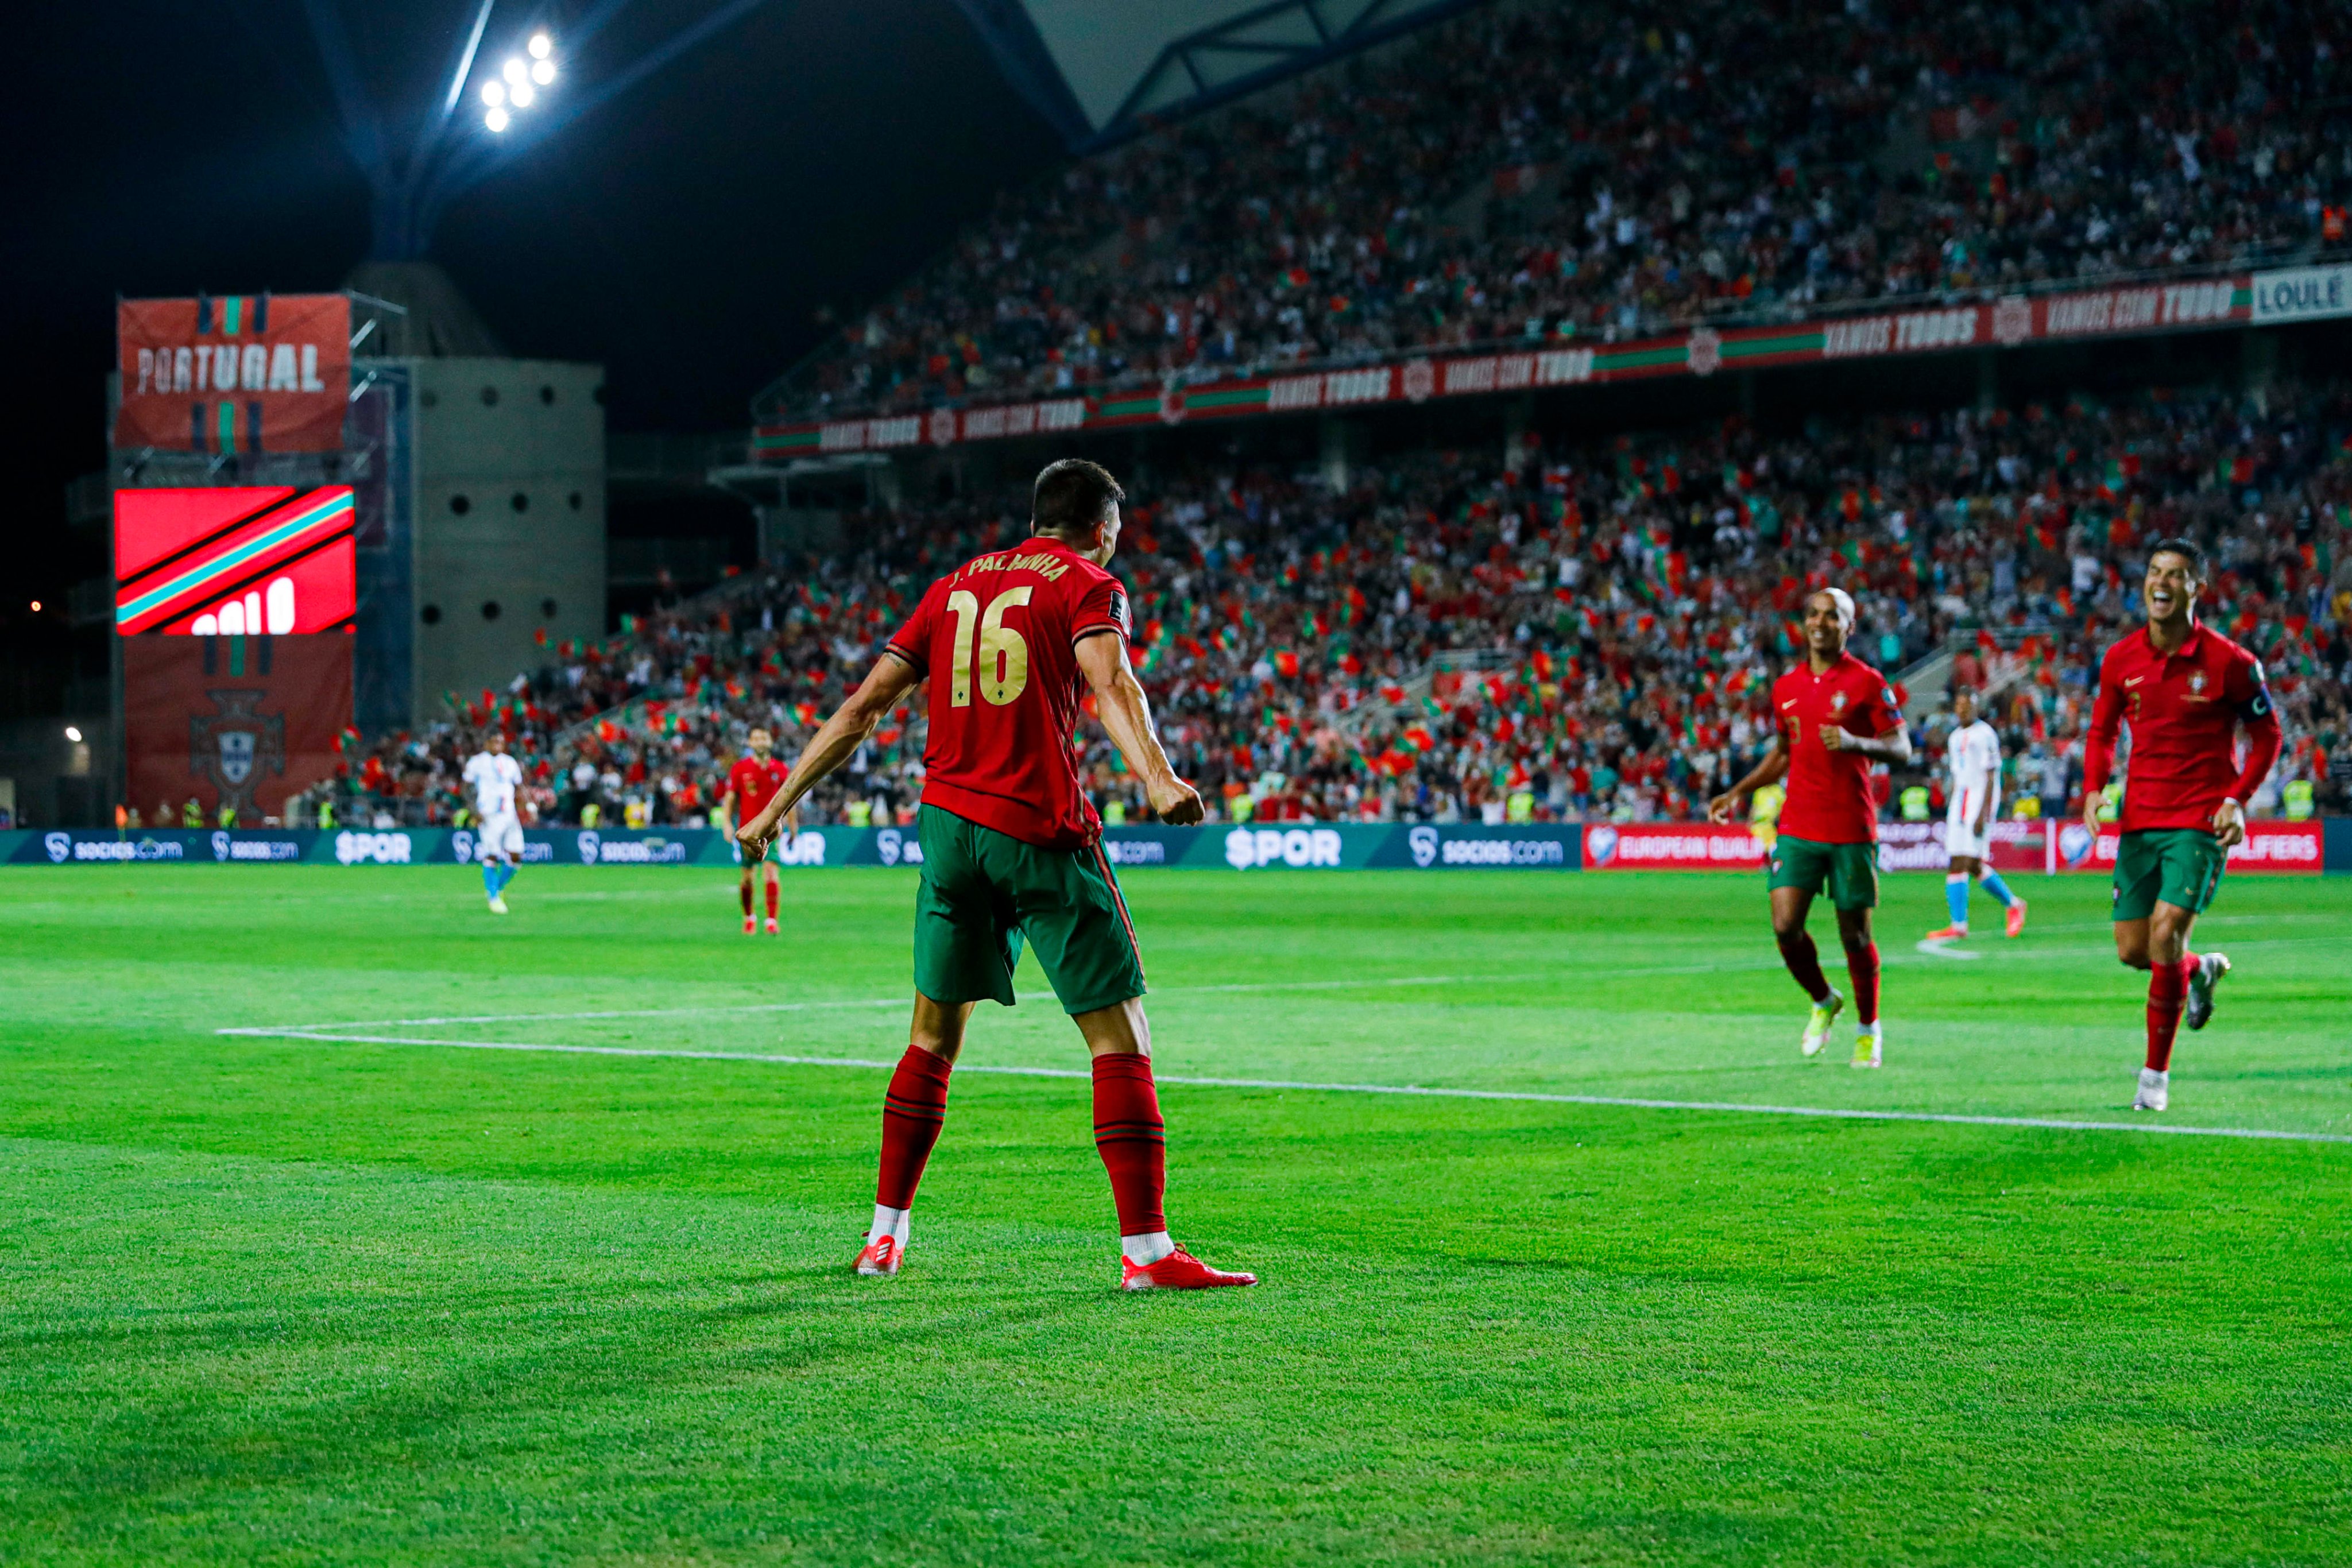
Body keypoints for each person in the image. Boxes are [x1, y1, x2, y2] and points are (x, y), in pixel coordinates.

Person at [738, 457, 1254, 1291]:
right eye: (1116, 531)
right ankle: (1149, 1252)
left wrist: (775, 805)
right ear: (1100, 526)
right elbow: (1110, 680)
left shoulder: (952, 587)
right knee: (1120, 1036)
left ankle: (883, 1237)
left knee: (932, 1038)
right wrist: (1157, 776)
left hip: (946, 832)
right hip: (1034, 826)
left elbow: (864, 706)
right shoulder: (1090, 582)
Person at [2083, 538, 2282, 1112]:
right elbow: (2099, 732)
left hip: (2198, 821)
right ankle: (2199, 971)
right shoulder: (2120, 659)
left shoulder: (2230, 662)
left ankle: (2153, 1078)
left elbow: (2267, 736)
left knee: (2167, 932)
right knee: (2133, 949)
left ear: (2196, 588)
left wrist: (2237, 798)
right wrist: (2093, 789)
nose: (2161, 582)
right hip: (2140, 821)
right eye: (2153, 572)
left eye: (2175, 574)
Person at [1709, 588, 1913, 1067]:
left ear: (1850, 626)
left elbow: (1901, 747)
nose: (1821, 623)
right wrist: (1737, 790)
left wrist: (1852, 740)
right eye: (1814, 615)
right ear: (1804, 623)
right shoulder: (1787, 687)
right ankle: (1824, 999)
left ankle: (1868, 1028)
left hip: (1850, 824)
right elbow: (1784, 751)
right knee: (1785, 925)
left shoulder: (1867, 682)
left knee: (1856, 937)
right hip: (1799, 821)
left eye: (1833, 616)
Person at [1924, 688, 2026, 940]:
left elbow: (1992, 775)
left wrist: (1984, 813)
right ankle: (1959, 925)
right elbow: (1960, 774)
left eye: (1967, 705)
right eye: (1959, 705)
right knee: (1959, 862)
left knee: (1970, 862)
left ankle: (2012, 905)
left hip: (1979, 801)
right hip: (1960, 802)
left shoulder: (1985, 734)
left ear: (1976, 707)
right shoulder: (1955, 736)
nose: (1962, 709)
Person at [720, 727, 790, 934]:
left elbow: (790, 801)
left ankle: (771, 921)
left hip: (771, 830)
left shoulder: (781, 769)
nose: (760, 741)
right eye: (756, 738)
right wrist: (726, 822)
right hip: (747, 830)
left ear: (770, 741)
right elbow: (731, 798)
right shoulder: (740, 769)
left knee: (770, 873)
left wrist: (793, 827)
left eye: (764, 737)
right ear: (749, 743)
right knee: (748, 877)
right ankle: (749, 917)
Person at [462, 731, 526, 914]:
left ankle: (497, 888)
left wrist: (529, 806)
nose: (498, 744)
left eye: (501, 741)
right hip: (488, 814)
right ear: (486, 744)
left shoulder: (510, 762)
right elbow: (465, 788)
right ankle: (494, 898)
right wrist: (474, 810)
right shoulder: (477, 762)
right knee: (493, 855)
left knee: (517, 855)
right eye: (494, 741)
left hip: (510, 815)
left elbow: (519, 786)